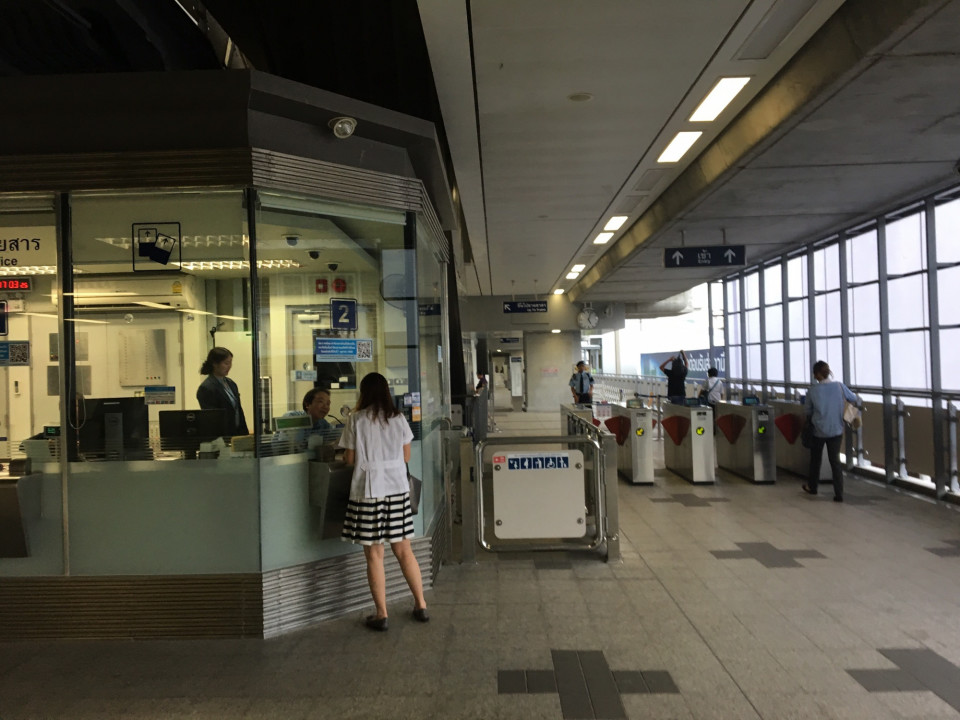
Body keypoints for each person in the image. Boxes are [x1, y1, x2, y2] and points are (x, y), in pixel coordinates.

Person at [339, 372, 428, 631]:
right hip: (397, 490)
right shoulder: (398, 418)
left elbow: (349, 459)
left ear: (364, 392)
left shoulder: (356, 419)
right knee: (404, 551)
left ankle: (382, 614)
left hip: (368, 492)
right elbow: (406, 456)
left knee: (374, 554)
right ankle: (421, 604)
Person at [802, 360, 859, 502]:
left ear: (817, 374)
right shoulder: (839, 386)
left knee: (815, 460)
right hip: (836, 429)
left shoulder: (812, 390)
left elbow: (807, 410)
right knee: (835, 462)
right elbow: (853, 398)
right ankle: (839, 494)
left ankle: (813, 487)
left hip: (818, 430)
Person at [196, 347, 248, 436]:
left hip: (237, 433)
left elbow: (238, 410)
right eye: (226, 363)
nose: (229, 366)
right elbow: (212, 418)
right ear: (215, 364)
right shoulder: (206, 388)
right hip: (222, 435)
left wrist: (244, 434)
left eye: (230, 362)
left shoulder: (231, 383)